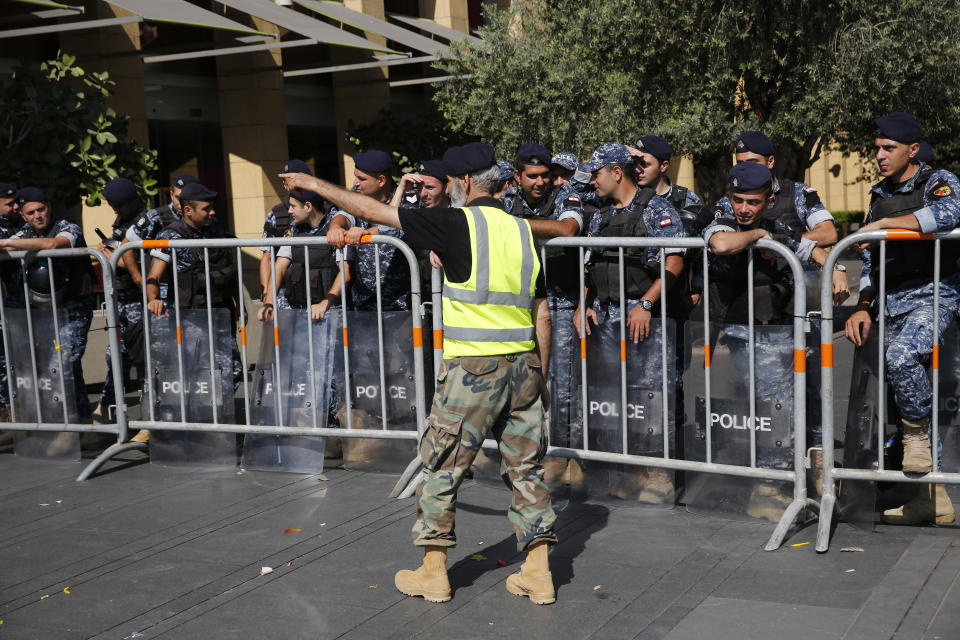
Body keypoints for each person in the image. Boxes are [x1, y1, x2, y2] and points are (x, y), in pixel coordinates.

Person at [283, 141, 559, 606]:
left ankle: (433, 572)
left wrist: (312, 184)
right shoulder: (523, 230)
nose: (449, 187)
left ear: (466, 183)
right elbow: (543, 314)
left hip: (473, 369)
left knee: (442, 466)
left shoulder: (456, 222)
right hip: (524, 367)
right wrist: (542, 379)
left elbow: (370, 209)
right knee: (527, 470)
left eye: (452, 181)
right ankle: (539, 572)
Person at [845, 111, 960, 525]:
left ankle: (914, 437)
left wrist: (888, 224)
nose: (879, 155)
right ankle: (934, 499)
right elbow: (872, 260)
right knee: (904, 395)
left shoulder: (936, 181)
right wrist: (863, 304)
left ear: (912, 150)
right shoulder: (878, 192)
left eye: (888, 148)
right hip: (889, 301)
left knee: (900, 359)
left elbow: (949, 215)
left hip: (934, 295)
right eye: (877, 148)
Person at [574, 143, 686, 504]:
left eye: (597, 173)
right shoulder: (599, 215)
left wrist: (646, 303)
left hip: (642, 318)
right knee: (619, 398)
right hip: (606, 316)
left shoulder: (656, 208)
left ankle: (660, 475)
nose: (592, 180)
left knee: (651, 395)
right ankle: (632, 471)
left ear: (616, 172)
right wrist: (584, 304)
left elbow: (675, 262)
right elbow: (589, 266)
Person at [702, 162, 801, 521]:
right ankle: (767, 488)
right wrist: (759, 235)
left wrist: (834, 267)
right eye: (738, 199)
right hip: (745, 330)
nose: (743, 208)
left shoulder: (778, 225)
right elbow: (723, 243)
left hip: (779, 327)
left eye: (753, 202)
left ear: (768, 199)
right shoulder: (723, 220)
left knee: (784, 406)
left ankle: (779, 482)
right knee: (773, 407)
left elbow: (809, 249)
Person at [501, 143, 586, 486]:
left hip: (562, 303)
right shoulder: (506, 200)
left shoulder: (567, 196)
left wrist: (514, 226)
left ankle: (563, 456)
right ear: (518, 176)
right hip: (519, 306)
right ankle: (526, 451)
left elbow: (568, 229)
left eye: (545, 176)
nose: (540, 182)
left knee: (561, 386)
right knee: (520, 382)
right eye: (532, 176)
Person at [143, 182, 243, 426]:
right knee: (188, 375)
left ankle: (215, 421)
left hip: (219, 314)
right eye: (206, 209)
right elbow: (153, 276)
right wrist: (153, 299)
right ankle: (187, 425)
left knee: (232, 371)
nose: (212, 213)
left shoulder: (216, 231)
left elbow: (229, 273)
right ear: (188, 210)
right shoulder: (170, 236)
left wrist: (240, 305)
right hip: (187, 319)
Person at [0, 187, 95, 421]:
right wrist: (8, 243)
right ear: (22, 215)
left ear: (48, 206)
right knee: (70, 368)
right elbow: (10, 243)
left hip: (74, 309)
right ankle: (82, 421)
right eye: (30, 213)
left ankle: (65, 426)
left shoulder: (68, 226)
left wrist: (6, 244)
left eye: (40, 209)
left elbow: (55, 244)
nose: (37, 216)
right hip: (46, 312)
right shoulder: (24, 233)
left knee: (60, 366)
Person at [327, 150, 412, 312]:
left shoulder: (407, 197)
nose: (355, 183)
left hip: (399, 304)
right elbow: (343, 214)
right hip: (363, 304)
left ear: (381, 180)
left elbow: (393, 223)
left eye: (362, 179)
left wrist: (366, 234)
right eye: (355, 176)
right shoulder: (356, 193)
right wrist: (335, 227)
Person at [92, 177, 147, 427]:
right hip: (121, 299)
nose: (114, 210)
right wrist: (110, 250)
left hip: (140, 300)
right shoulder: (122, 220)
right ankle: (105, 409)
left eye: (118, 205)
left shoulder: (145, 221)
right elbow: (114, 252)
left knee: (143, 359)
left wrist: (114, 255)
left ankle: (150, 418)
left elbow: (134, 260)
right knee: (114, 356)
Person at [260, 160, 311, 309]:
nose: (288, 186)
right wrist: (266, 295)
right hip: (285, 293)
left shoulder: (327, 210)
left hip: (319, 290)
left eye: (293, 181)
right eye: (285, 182)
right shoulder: (276, 214)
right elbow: (267, 257)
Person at [0, 182, 20, 427]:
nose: (16, 207)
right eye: (9, 204)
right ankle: (6, 413)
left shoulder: (16, 224)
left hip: (17, 304)